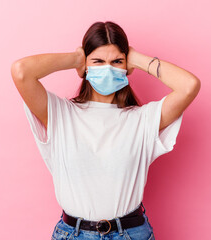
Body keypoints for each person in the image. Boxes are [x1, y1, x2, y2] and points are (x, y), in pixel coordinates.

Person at [11, 21, 200, 240]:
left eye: (117, 61)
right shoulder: (60, 113)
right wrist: (75, 59)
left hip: (131, 233)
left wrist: (136, 59)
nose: (108, 68)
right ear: (86, 66)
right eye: (98, 61)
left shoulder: (143, 119)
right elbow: (21, 71)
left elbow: (189, 86)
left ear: (126, 66)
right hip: (73, 234)